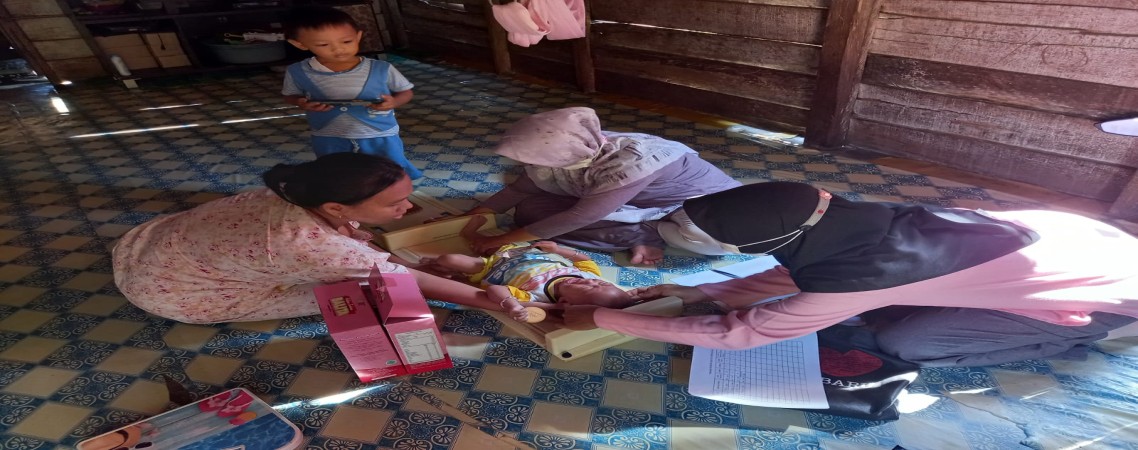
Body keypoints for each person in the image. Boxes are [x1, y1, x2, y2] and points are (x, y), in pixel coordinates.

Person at [555, 181, 1138, 367]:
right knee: (873, 302)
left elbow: (741, 332)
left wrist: (606, 318)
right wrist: (695, 290)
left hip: (1106, 294)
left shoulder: (867, 271)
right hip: (1085, 244)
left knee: (905, 341)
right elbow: (801, 276)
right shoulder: (850, 219)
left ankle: (1076, 334)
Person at [111, 153, 533, 324]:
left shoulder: (295, 191)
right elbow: (412, 282)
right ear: (336, 207)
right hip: (177, 293)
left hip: (145, 247)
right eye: (395, 203)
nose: (408, 208)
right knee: (365, 293)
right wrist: (499, 301)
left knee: (369, 267)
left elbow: (353, 243)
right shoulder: (308, 243)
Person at [460, 107, 741, 265]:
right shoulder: (570, 148)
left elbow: (579, 217)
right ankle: (641, 230)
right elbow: (520, 190)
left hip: (697, 206)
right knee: (529, 211)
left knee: (716, 242)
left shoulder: (631, 162)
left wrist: (498, 240)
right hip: (632, 204)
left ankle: (646, 234)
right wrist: (470, 218)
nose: (527, 164)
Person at [280, 5, 422, 179]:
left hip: (379, 133)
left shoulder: (381, 68)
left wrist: (394, 102)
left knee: (389, 171)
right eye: (323, 44)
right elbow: (290, 96)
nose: (338, 49)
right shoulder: (297, 71)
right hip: (328, 135)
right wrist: (300, 102)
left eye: (347, 42)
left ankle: (395, 194)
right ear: (300, 44)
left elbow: (406, 92)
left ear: (358, 36)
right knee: (336, 173)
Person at [425, 215, 634, 308]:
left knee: (449, 259)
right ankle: (470, 235)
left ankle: (441, 267)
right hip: (518, 254)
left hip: (490, 269)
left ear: (565, 303)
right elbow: (584, 259)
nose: (590, 281)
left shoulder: (538, 296)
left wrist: (510, 303)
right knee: (491, 243)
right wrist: (558, 250)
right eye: (600, 283)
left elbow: (495, 291)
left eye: (589, 289)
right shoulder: (588, 275)